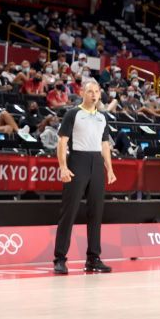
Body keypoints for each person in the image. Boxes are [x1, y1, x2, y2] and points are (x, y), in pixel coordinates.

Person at [53, 80, 117, 275]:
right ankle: (60, 258)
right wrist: (63, 167)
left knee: (96, 212)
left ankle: (93, 258)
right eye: (90, 91)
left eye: (97, 91)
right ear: (82, 93)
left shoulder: (102, 117)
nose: (94, 95)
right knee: (69, 211)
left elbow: (105, 144)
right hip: (77, 160)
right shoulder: (73, 114)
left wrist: (110, 169)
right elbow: (62, 142)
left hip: (96, 162)